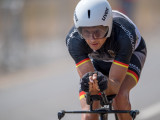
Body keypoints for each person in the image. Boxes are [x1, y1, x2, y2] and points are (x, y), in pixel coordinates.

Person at [66, 0, 147, 120]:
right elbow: (90, 81)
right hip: (99, 59)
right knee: (89, 112)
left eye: (98, 31)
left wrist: (105, 85)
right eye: (86, 32)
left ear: (109, 27)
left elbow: (115, 85)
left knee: (120, 97)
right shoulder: (74, 40)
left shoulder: (123, 36)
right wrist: (93, 87)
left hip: (132, 55)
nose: (92, 39)